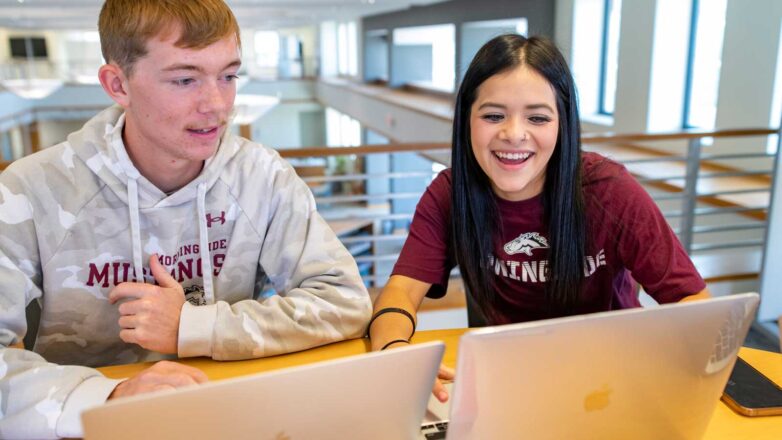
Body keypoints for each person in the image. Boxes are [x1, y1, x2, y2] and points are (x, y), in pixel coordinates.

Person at [0, 0, 371, 438]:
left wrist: (193, 327)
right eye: (184, 79)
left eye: (229, 76)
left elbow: (344, 301)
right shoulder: (31, 190)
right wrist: (111, 398)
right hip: (90, 424)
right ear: (117, 84)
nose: (217, 105)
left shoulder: (261, 176)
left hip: (230, 411)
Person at [368, 34, 709, 402]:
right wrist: (393, 348)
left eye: (538, 117)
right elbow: (400, 291)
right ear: (467, 119)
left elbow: (694, 302)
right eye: (493, 115)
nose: (514, 133)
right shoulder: (450, 194)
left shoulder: (609, 191)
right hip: (506, 383)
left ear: (562, 124)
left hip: (611, 382)